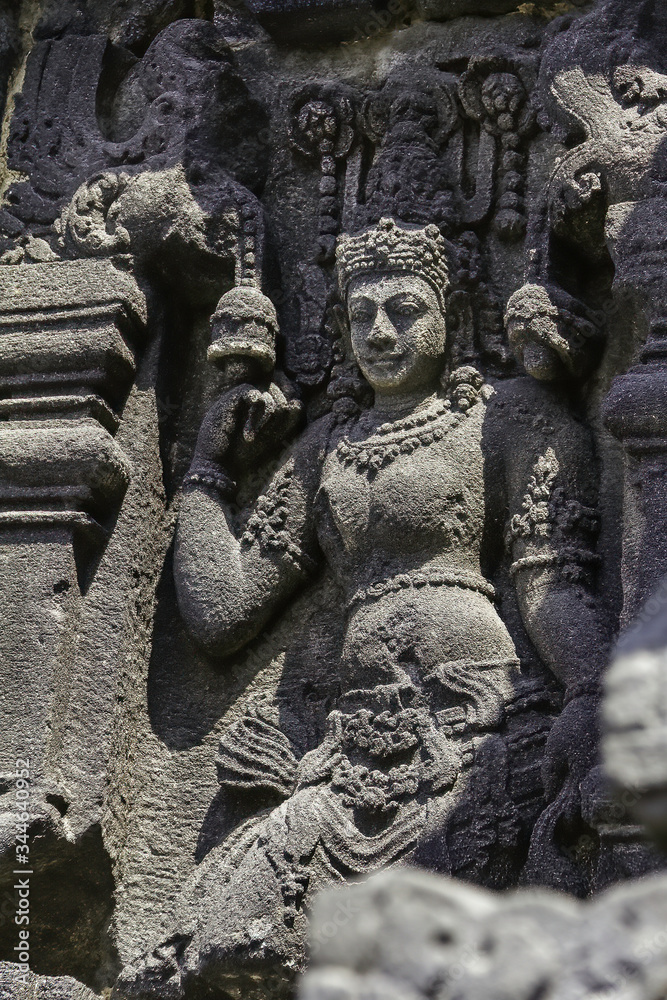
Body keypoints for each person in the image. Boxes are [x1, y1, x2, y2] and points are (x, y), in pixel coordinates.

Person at [124, 218, 609, 998]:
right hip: (347, 751)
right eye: (360, 314)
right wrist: (209, 470)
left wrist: (593, 698)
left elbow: (549, 583)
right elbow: (220, 614)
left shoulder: (508, 415)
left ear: (451, 314)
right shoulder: (326, 447)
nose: (379, 332)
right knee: (226, 936)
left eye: (405, 309)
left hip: (479, 726)